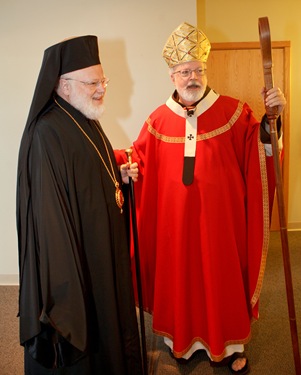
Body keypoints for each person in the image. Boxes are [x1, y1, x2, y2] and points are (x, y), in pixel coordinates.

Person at [115, 22, 286, 374]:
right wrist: (114, 164)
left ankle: (232, 345)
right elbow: (137, 158)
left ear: (205, 71)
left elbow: (260, 149)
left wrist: (274, 119)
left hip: (221, 223)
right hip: (175, 227)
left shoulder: (235, 112)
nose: (192, 77)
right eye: (183, 71)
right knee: (180, 278)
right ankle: (181, 343)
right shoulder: (158, 120)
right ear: (171, 75)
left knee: (221, 278)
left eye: (197, 70)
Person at [16, 35, 143, 375]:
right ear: (64, 85)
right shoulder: (46, 133)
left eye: (103, 80)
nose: (102, 88)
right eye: (93, 82)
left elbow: (87, 173)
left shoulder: (86, 117)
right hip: (75, 265)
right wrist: (66, 292)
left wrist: (117, 176)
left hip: (101, 251)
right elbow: (49, 218)